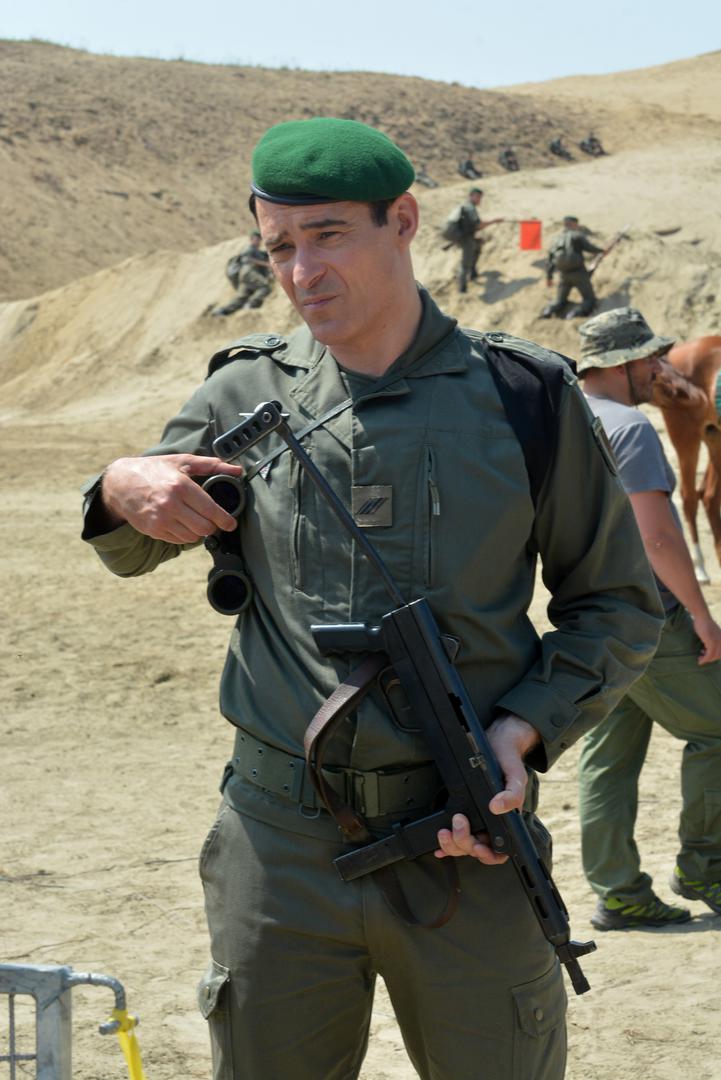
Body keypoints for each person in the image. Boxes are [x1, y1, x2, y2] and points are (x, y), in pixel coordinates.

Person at [81, 118, 663, 1080]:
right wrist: (118, 485)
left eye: (328, 235)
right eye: (279, 246)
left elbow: (617, 604)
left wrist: (522, 730)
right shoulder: (244, 392)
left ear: (403, 221)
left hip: (468, 837)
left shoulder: (524, 396)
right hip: (279, 848)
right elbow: (135, 540)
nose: (301, 271)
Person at [577, 306, 721, 931]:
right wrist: (702, 615)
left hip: (586, 615)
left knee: (610, 754)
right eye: (650, 359)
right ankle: (706, 867)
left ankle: (618, 891)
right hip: (649, 615)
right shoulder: (630, 427)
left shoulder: (567, 417)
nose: (661, 369)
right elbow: (657, 536)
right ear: (621, 364)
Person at [541, 215, 605, 319]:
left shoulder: (556, 239)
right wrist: (602, 251)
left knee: (560, 300)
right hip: (579, 273)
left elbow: (550, 260)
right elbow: (590, 248)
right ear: (574, 224)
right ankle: (574, 314)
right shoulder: (577, 235)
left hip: (563, 274)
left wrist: (549, 277)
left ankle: (548, 311)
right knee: (589, 299)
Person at [445, 187, 504, 293]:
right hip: (464, 238)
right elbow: (479, 225)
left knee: (477, 245)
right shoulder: (470, 208)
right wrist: (494, 221)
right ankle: (462, 288)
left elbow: (469, 227)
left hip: (463, 236)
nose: (479, 199)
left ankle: (473, 272)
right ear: (471, 196)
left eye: (480, 197)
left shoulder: (465, 207)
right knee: (465, 262)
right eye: (477, 197)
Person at [212, 230, 272, 316]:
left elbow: (266, 254)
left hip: (246, 277)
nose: (259, 241)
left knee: (241, 298)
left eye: (259, 239)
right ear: (251, 239)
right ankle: (250, 304)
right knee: (265, 287)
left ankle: (222, 311)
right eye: (257, 239)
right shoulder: (249, 248)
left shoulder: (257, 251)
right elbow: (246, 258)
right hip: (249, 273)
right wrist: (266, 264)